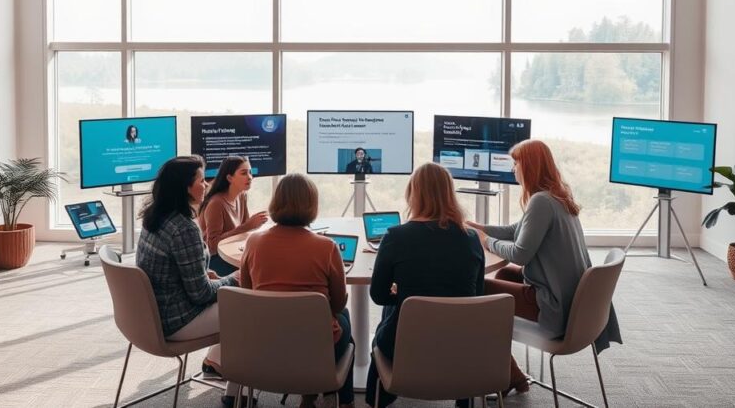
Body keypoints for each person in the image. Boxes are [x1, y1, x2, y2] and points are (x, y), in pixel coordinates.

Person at [468, 139, 623, 396]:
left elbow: (520, 253)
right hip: (573, 300)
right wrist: (480, 228)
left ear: (528, 167)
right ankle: (511, 374)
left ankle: (510, 376)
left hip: (555, 307)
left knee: (479, 290)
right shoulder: (557, 196)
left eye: (516, 164)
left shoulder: (541, 202)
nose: (513, 169)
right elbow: (515, 231)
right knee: (504, 275)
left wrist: (486, 241)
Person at [364, 162, 485, 408]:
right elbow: (477, 295)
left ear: (413, 193)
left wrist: (404, 299)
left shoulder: (396, 236)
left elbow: (377, 295)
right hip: (462, 345)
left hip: (406, 346)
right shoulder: (472, 239)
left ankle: (378, 398)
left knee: (391, 312)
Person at [238, 173, 355, 408]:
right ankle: (342, 400)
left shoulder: (254, 242)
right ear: (312, 204)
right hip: (315, 342)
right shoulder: (327, 247)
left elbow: (246, 291)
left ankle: (310, 394)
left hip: (265, 339)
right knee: (344, 319)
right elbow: (338, 303)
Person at [134, 155, 237, 389]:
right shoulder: (184, 228)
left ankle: (216, 361)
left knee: (232, 293)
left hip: (147, 317)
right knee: (246, 305)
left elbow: (173, 269)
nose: (207, 185)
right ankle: (236, 391)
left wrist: (206, 274)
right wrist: (234, 279)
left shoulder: (156, 217)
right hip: (176, 320)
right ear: (186, 188)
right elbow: (200, 295)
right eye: (201, 180)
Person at [198, 156, 270, 276]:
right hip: (216, 259)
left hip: (232, 252)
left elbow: (245, 229)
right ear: (229, 178)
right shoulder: (216, 203)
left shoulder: (242, 196)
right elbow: (212, 245)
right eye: (244, 173)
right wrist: (248, 226)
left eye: (250, 172)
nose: (250, 177)